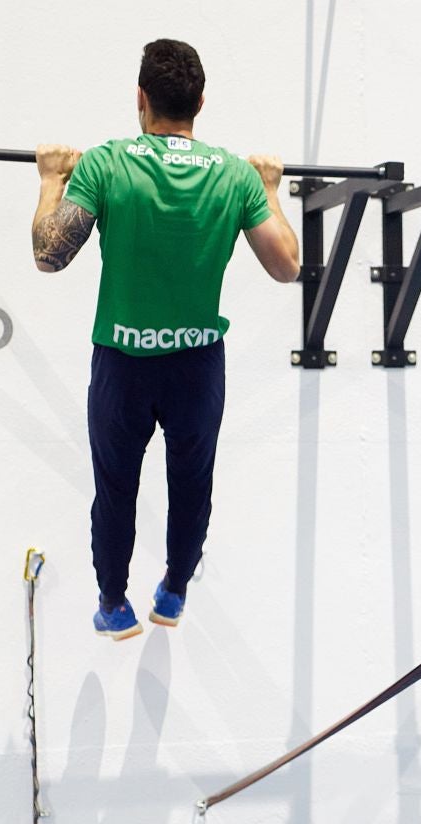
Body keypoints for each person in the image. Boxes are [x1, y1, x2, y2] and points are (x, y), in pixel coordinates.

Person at [31, 38, 300, 640]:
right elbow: (287, 266)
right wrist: (272, 189)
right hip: (197, 365)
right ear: (200, 102)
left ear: (140, 99)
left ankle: (113, 603)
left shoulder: (105, 163)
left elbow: (50, 255)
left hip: (124, 364)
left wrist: (51, 178)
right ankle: (175, 591)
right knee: (192, 482)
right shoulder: (234, 174)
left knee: (115, 487)